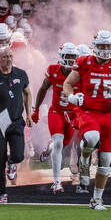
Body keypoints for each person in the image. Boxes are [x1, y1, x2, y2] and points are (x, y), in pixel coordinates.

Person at [62, 29, 111, 210]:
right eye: (102, 45)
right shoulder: (84, 62)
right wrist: (71, 97)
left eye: (108, 45)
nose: (106, 49)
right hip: (88, 111)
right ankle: (84, 159)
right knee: (92, 137)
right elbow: (68, 84)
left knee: (106, 160)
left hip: (109, 115)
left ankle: (97, 199)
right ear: (95, 46)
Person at [0, 47, 32, 204]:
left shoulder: (21, 74)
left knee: (18, 155)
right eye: (5, 57)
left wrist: (29, 114)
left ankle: (12, 164)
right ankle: (2, 193)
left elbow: (27, 93)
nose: (8, 59)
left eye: (10, 56)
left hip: (16, 120)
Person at [32, 42, 81, 193]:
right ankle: (57, 182)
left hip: (71, 116)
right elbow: (43, 88)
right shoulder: (53, 70)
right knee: (59, 143)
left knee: (63, 144)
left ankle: (49, 148)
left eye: (73, 56)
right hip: (57, 112)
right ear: (61, 56)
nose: (70, 60)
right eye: (68, 56)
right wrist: (36, 109)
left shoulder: (80, 74)